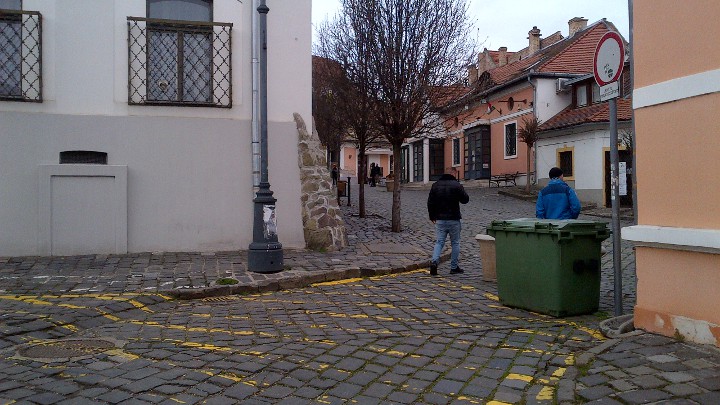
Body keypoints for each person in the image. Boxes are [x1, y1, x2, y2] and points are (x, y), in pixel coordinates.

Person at [427, 172, 470, 276]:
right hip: (453, 218)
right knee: (455, 243)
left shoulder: (435, 185)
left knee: (439, 242)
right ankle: (454, 267)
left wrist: (432, 216)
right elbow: (465, 200)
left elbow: (430, 202)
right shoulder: (457, 185)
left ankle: (434, 262)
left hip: (440, 219)